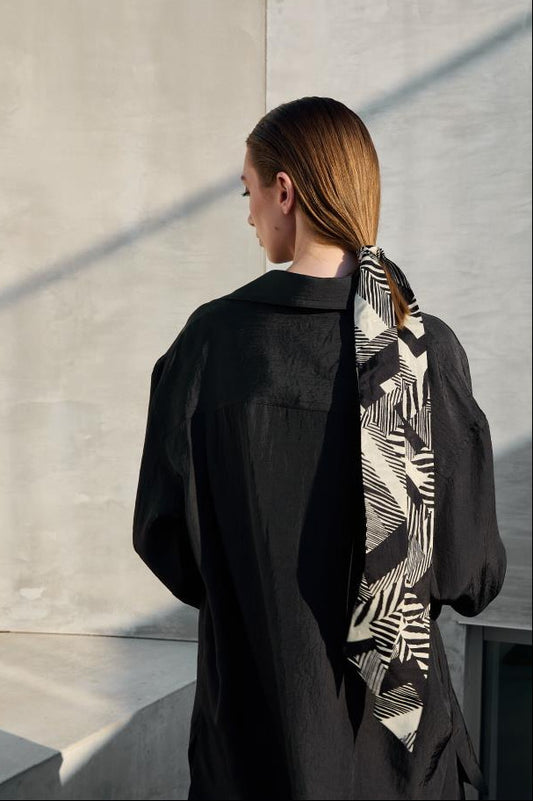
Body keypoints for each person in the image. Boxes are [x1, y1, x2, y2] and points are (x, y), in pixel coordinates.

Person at [132, 96, 507, 800]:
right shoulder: (419, 353)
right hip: (394, 758)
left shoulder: (210, 347)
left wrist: (258, 591)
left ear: (284, 191)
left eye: (248, 192)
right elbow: (469, 573)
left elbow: (167, 542)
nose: (248, 215)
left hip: (251, 740)